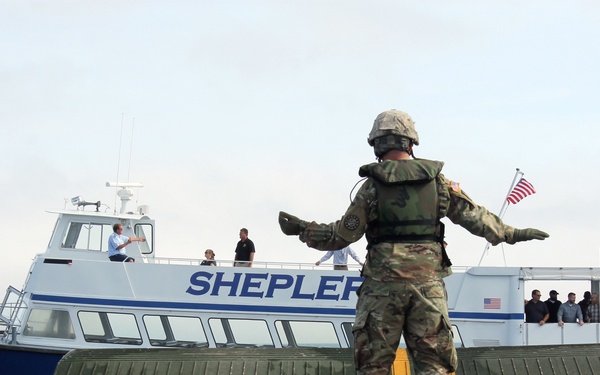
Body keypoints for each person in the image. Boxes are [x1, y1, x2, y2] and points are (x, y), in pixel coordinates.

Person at [278, 109, 549, 375]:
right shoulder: (438, 183)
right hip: (427, 288)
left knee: (373, 367)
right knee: (435, 367)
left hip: (382, 289)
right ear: (411, 142)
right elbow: (475, 218)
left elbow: (341, 236)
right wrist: (512, 233)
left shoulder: (372, 187)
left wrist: (303, 230)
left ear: (377, 145)